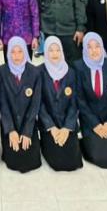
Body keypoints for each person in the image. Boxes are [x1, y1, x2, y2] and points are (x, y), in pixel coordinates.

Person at [73, 32, 107, 169]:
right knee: (98, 156)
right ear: (84, 49)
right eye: (89, 47)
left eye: (97, 46)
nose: (94, 50)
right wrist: (95, 124)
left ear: (102, 47)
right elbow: (80, 100)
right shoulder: (78, 67)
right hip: (91, 122)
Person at [37, 35, 82, 171]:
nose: (54, 54)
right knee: (57, 161)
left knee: (73, 161)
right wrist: (52, 127)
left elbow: (74, 103)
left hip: (67, 124)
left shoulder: (71, 73)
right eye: (51, 50)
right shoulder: (39, 72)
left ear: (62, 51)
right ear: (45, 52)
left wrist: (67, 128)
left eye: (57, 50)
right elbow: (39, 104)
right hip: (49, 125)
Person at [0, 36, 42, 173]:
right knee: (14, 161)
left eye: (20, 51)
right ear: (8, 53)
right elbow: (3, 104)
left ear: (25, 51)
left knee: (31, 161)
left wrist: (27, 131)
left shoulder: (34, 72)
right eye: (12, 52)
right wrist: (11, 130)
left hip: (28, 122)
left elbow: (35, 105)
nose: (16, 56)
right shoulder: (1, 71)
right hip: (9, 123)